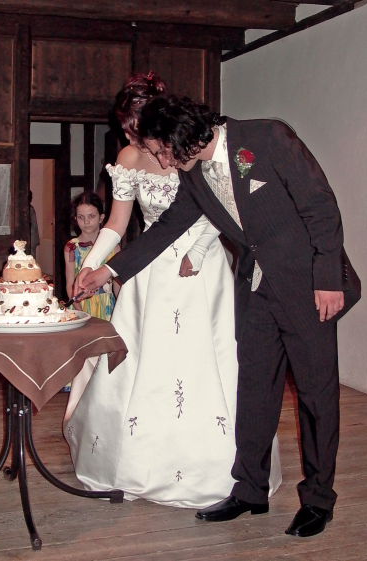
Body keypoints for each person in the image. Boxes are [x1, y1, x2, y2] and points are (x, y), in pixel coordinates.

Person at [79, 94, 360, 536]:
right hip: (256, 291)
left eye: (160, 151)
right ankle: (249, 490)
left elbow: (320, 206)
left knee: (316, 396)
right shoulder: (194, 175)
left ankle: (319, 499)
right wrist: (108, 271)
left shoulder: (267, 137)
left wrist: (327, 278)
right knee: (254, 390)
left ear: (180, 137)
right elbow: (168, 227)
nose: (160, 162)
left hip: (308, 287)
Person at [64, 73, 282, 508]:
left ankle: (221, 467)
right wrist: (90, 266)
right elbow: (117, 224)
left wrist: (199, 251)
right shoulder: (128, 156)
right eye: (127, 129)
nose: (133, 137)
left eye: (136, 128)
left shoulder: (186, 145)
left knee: (206, 359)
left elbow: (219, 205)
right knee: (144, 359)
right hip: (149, 269)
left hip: (202, 266)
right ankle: (134, 462)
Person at [64, 191, 118, 320]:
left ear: (101, 217)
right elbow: (70, 283)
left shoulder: (114, 247)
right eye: (81, 217)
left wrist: (121, 306)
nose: (86, 221)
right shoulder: (71, 247)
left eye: (91, 216)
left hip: (107, 305)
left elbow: (117, 283)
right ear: (76, 219)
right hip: (81, 305)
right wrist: (79, 310)